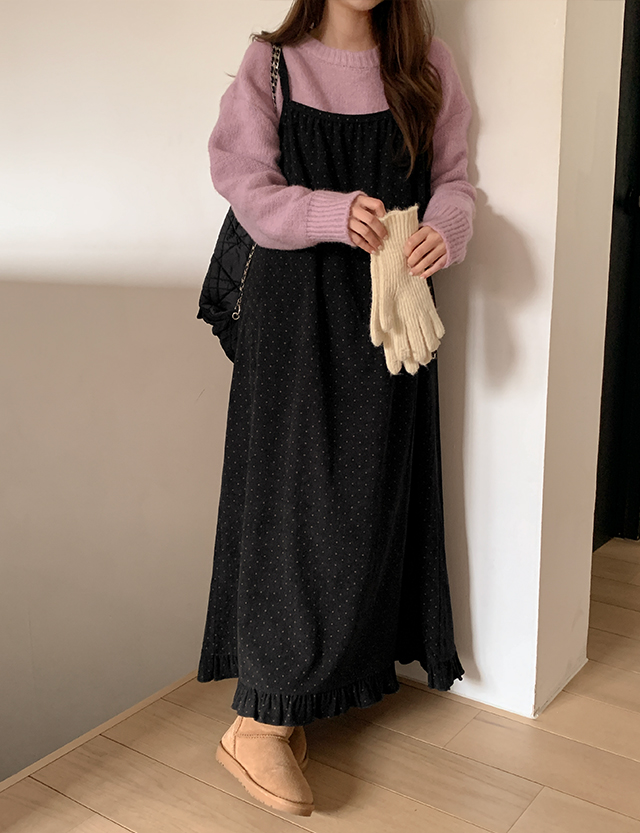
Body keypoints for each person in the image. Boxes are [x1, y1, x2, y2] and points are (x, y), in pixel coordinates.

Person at [196, 0, 476, 817]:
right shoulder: (272, 64)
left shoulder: (427, 68)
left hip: (389, 318)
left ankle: (310, 692)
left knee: (366, 503)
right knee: (292, 507)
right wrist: (326, 211)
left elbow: (455, 181)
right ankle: (258, 720)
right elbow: (244, 186)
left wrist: (446, 230)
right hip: (294, 318)